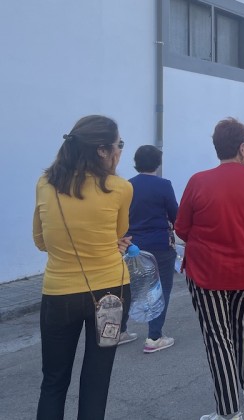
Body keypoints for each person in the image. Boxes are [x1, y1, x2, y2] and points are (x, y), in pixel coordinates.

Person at [33, 115, 133, 419]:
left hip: (59, 292)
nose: (120, 151)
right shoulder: (120, 188)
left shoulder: (45, 184)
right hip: (112, 293)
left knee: (53, 381)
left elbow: (40, 241)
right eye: (119, 145)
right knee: (96, 380)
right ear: (102, 150)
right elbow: (119, 234)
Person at [175, 118, 244, 420]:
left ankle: (229, 411)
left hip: (207, 274)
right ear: (242, 148)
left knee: (218, 337)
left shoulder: (198, 181)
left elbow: (182, 229)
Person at [120, 145, 179, 353]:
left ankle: (120, 330)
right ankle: (154, 337)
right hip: (159, 245)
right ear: (158, 162)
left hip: (133, 245)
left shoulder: (127, 186)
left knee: (130, 287)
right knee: (161, 288)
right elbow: (175, 214)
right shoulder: (163, 185)